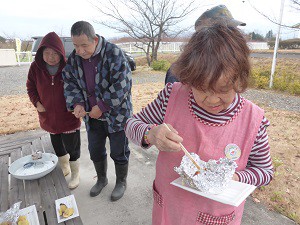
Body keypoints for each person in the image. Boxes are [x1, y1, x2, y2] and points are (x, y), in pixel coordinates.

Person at [125, 25, 274, 225]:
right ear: (190, 78)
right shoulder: (172, 96)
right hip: (169, 211)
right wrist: (150, 134)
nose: (211, 100)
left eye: (223, 90)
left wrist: (234, 178)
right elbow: (131, 124)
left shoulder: (252, 120)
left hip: (215, 217)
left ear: (239, 80)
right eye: (202, 88)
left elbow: (265, 171)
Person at [62, 21, 133, 201]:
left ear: (94, 39)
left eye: (84, 45)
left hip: (117, 116)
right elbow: (69, 82)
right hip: (91, 118)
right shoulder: (75, 58)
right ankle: (101, 179)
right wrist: (77, 103)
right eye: (76, 46)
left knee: (119, 151)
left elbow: (122, 85)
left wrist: (101, 107)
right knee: (95, 150)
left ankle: (121, 182)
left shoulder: (113, 53)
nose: (80, 51)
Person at [26, 32, 81, 189]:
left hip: (68, 115)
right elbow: (30, 87)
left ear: (61, 53)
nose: (51, 57)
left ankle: (76, 173)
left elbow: (79, 87)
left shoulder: (69, 67)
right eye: (47, 53)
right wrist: (37, 103)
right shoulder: (35, 67)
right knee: (57, 144)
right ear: (41, 53)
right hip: (48, 115)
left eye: (54, 53)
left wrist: (76, 104)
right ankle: (64, 167)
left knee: (72, 147)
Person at [165, 4, 246, 85]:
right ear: (203, 36)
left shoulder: (231, 64)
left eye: (232, 30)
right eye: (222, 32)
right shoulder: (180, 72)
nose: (231, 37)